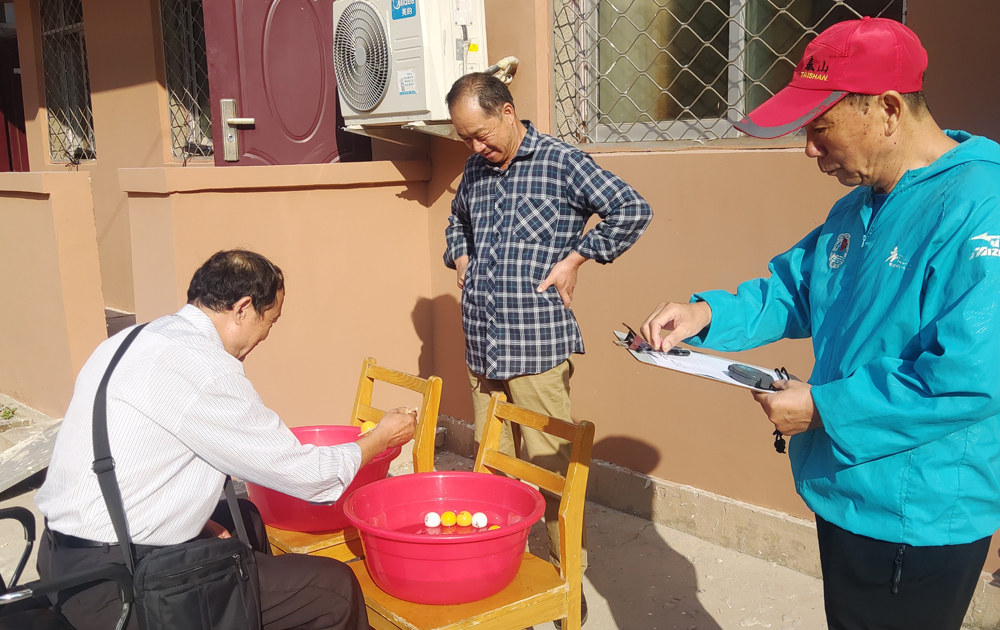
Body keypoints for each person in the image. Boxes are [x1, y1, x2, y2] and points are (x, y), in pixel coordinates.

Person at [640, 17, 1000, 630]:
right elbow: (797, 289)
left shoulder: (980, 206)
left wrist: (823, 408)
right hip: (845, 487)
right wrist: (706, 314)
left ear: (888, 109)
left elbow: (968, 378)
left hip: (916, 508)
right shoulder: (858, 206)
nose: (809, 149)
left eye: (820, 127)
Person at [35, 249, 417, 630]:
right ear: (243, 308)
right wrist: (380, 438)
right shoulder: (204, 368)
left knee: (245, 518)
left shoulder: (132, 339)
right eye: (271, 320)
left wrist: (200, 523)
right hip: (121, 589)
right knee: (334, 589)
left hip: (63, 559)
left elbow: (140, 458)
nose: (266, 335)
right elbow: (310, 478)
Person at [443, 72, 653, 623]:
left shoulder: (562, 162)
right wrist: (460, 255)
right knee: (491, 475)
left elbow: (631, 209)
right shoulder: (476, 169)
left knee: (553, 475)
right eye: (465, 139)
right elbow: (456, 221)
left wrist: (578, 257)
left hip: (535, 348)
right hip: (483, 348)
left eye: (482, 134)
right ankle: (499, 573)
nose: (475, 148)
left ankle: (566, 585)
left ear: (507, 112)